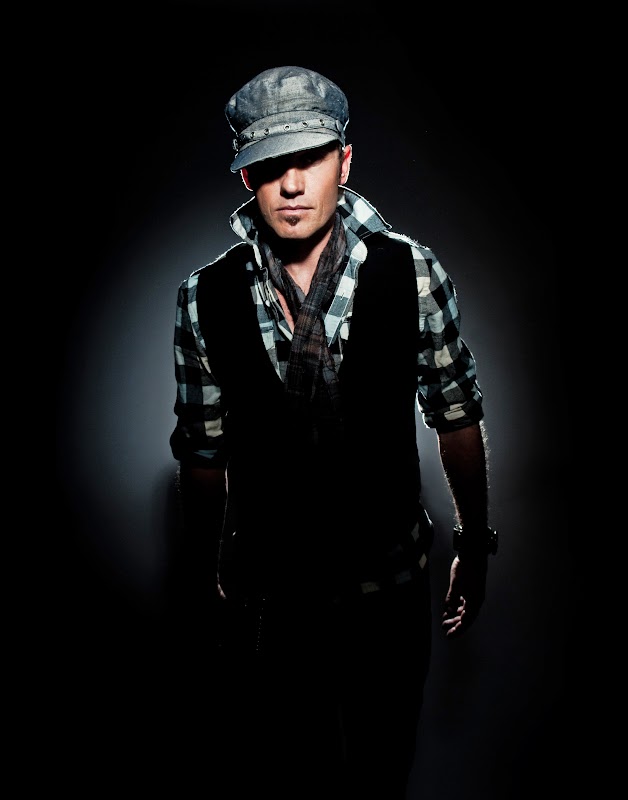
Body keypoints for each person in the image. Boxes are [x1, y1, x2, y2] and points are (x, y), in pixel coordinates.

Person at [167, 65, 498, 800]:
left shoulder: (412, 272)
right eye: (271, 164)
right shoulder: (204, 296)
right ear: (246, 176)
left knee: (382, 774)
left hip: (390, 589)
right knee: (289, 778)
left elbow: (456, 412)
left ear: (344, 162)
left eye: (309, 158)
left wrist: (474, 544)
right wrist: (202, 573)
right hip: (273, 597)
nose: (291, 184)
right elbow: (203, 448)